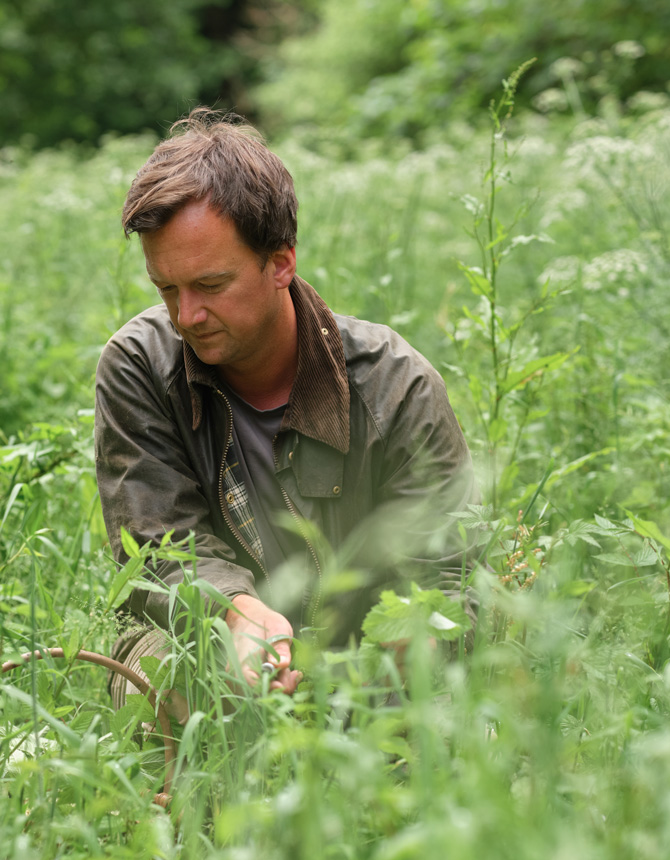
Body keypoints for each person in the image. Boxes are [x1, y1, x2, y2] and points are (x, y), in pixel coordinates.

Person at [95, 108, 477, 710]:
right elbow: (157, 550)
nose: (186, 315)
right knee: (170, 671)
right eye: (166, 288)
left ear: (280, 263)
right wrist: (236, 616)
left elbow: (448, 578)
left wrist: (360, 669)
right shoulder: (140, 365)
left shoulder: (396, 387)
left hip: (362, 657)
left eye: (212, 285)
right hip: (211, 635)